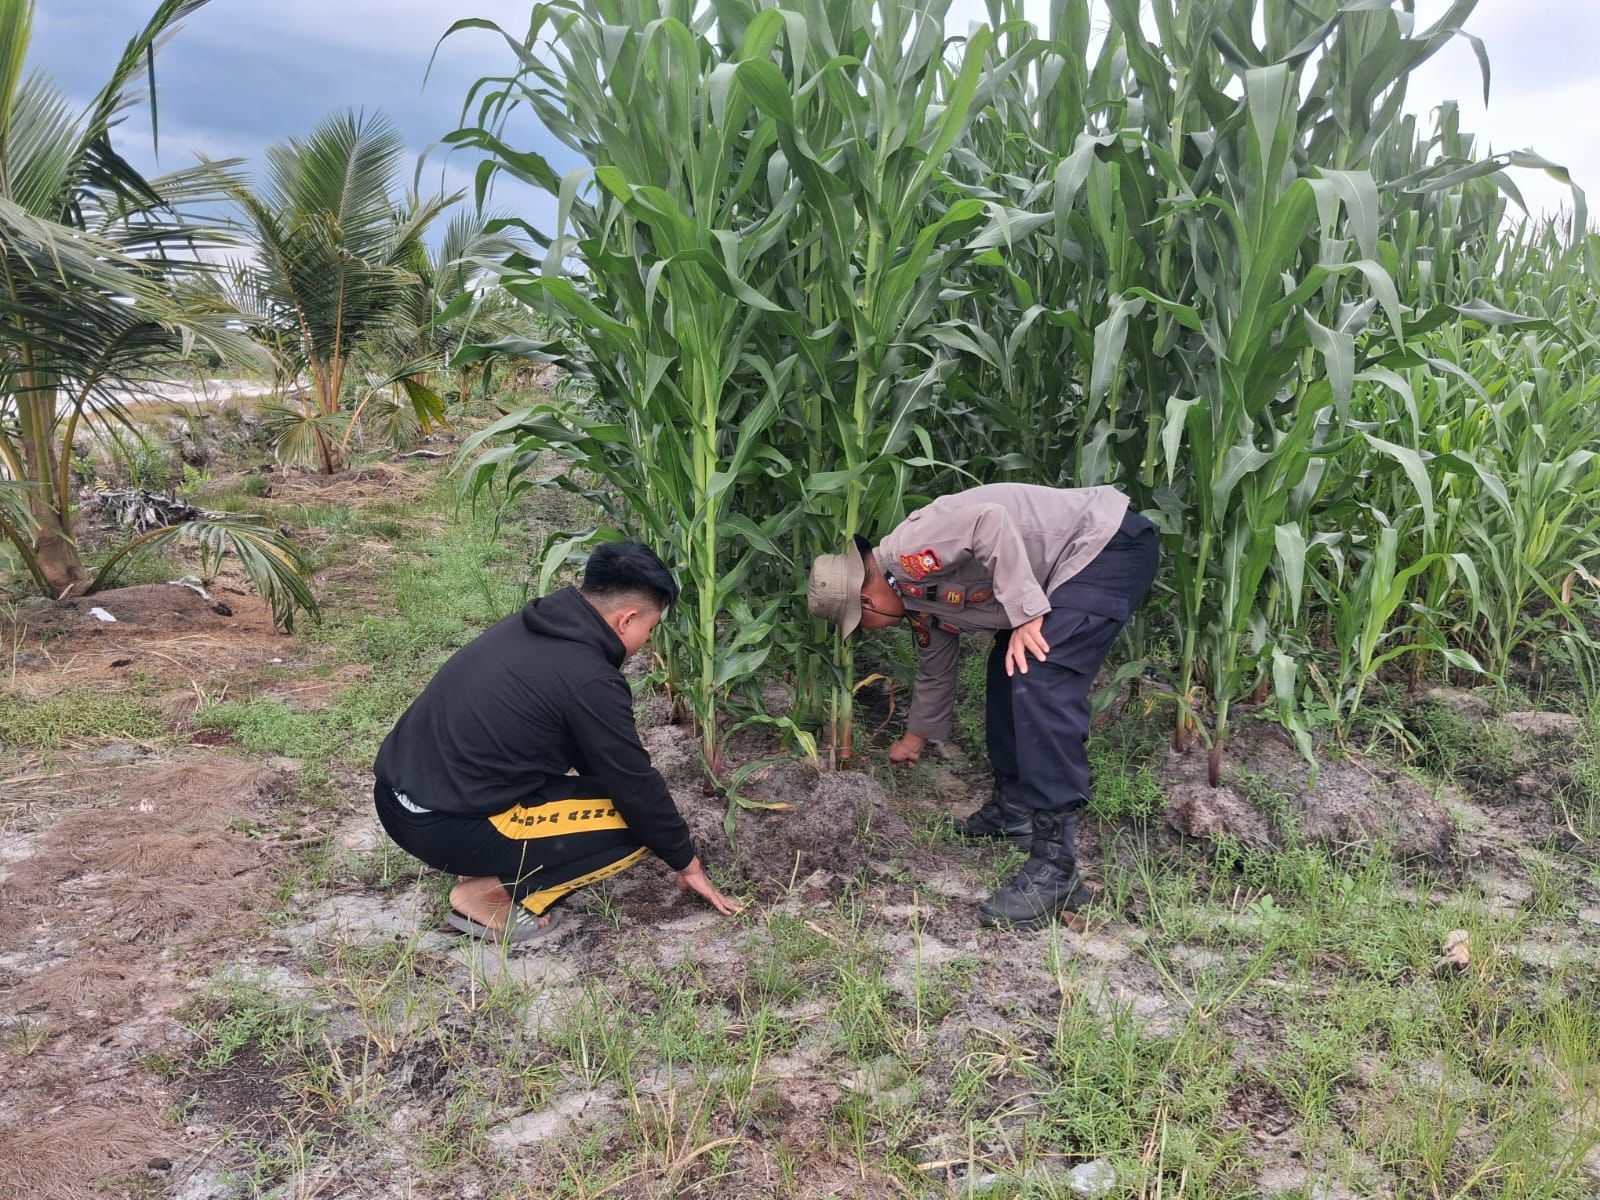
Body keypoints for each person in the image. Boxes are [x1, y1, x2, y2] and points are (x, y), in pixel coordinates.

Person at [808, 483, 1159, 929]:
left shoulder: (910, 550)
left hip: (1104, 546)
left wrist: (1026, 613)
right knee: (1006, 667)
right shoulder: (914, 596)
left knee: (1038, 672)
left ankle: (1056, 868)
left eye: (864, 623)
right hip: (1072, 567)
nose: (872, 629)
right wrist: (914, 739)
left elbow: (989, 521)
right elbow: (935, 670)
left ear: (866, 601)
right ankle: (1014, 810)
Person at [373, 542, 741, 942]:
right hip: (441, 826)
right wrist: (687, 865)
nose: (648, 642)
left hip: (400, 798)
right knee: (638, 827)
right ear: (626, 619)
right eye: (649, 630)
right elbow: (633, 785)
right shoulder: (589, 679)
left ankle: (483, 858)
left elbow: (597, 760)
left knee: (628, 806)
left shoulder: (531, 625)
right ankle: (489, 894)